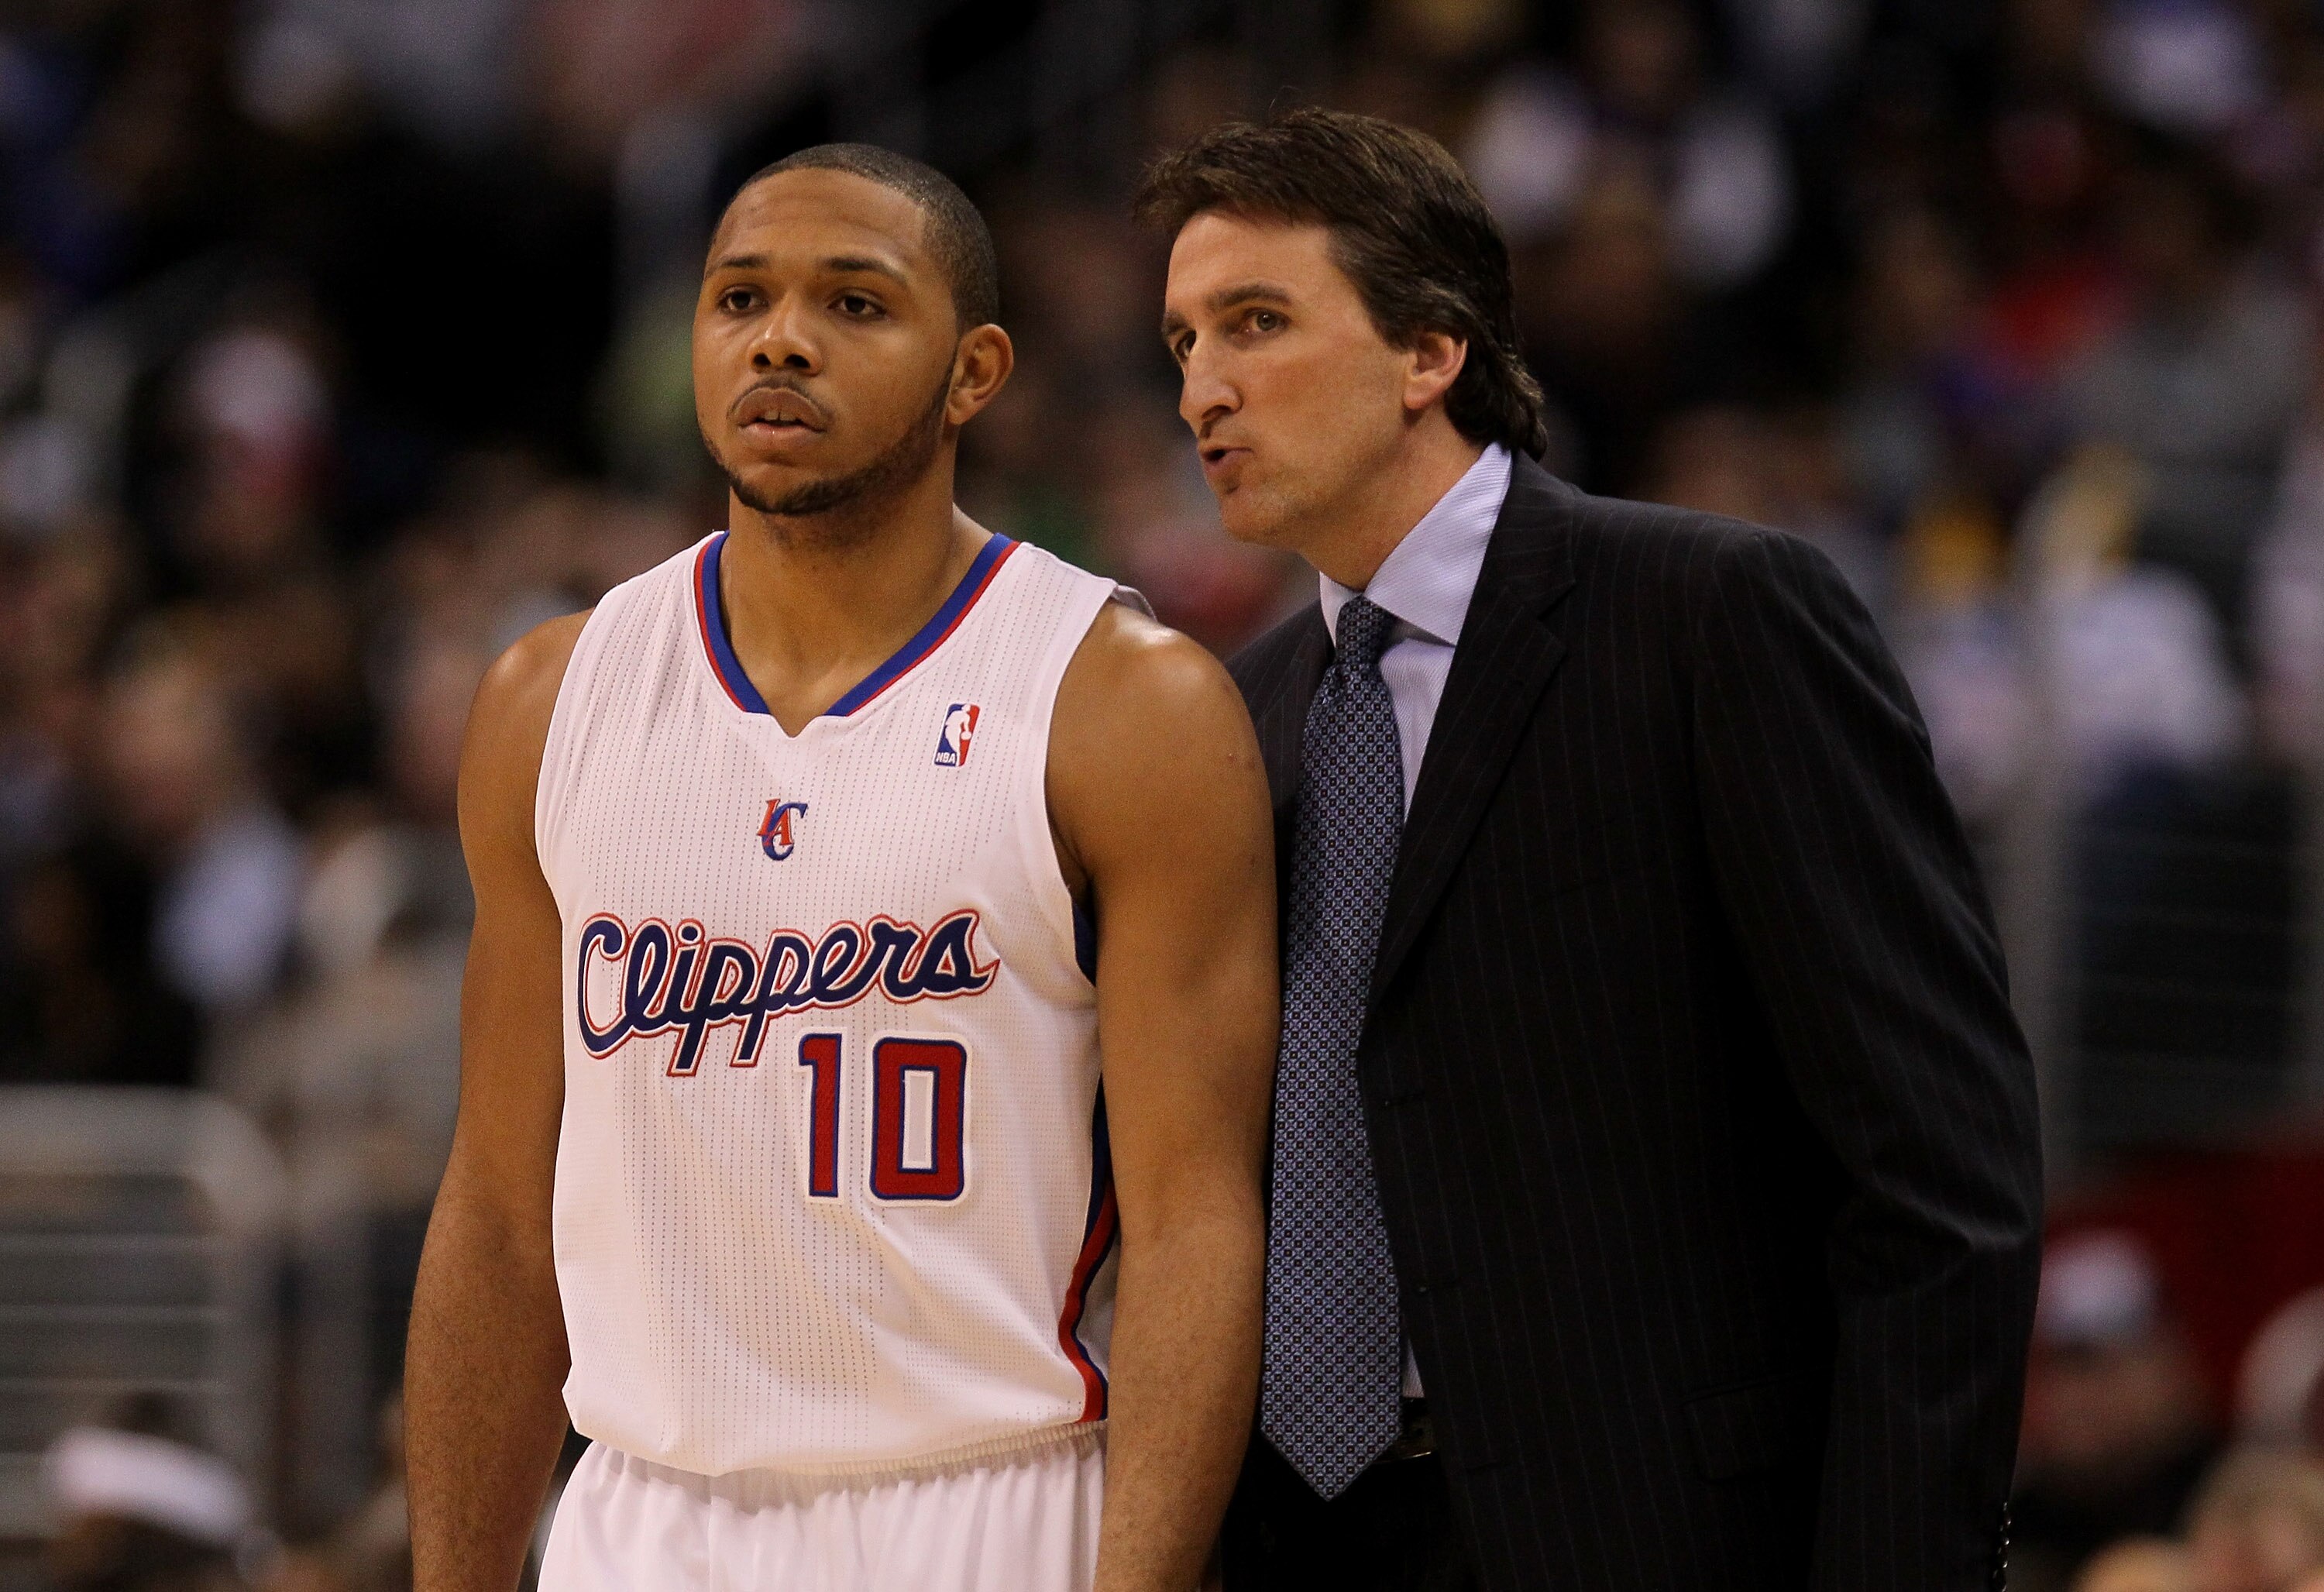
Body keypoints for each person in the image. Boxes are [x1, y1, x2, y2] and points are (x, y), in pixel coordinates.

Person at [1136, 107, 2044, 1590]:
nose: (1202, 390)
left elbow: (1942, 1170)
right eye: (1181, 343)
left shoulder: (1712, 618)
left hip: (1668, 1534)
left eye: (1254, 323)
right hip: (1303, 1539)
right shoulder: (1228, 717)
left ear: (1430, 352)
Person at [405, 145, 1277, 1592]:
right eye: (737, 297)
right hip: (642, 1515)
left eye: (855, 306)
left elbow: (1195, 1227)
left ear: (974, 371)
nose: (781, 338)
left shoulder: (1125, 704)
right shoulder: (551, 699)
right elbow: (499, 1213)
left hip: (986, 1506)